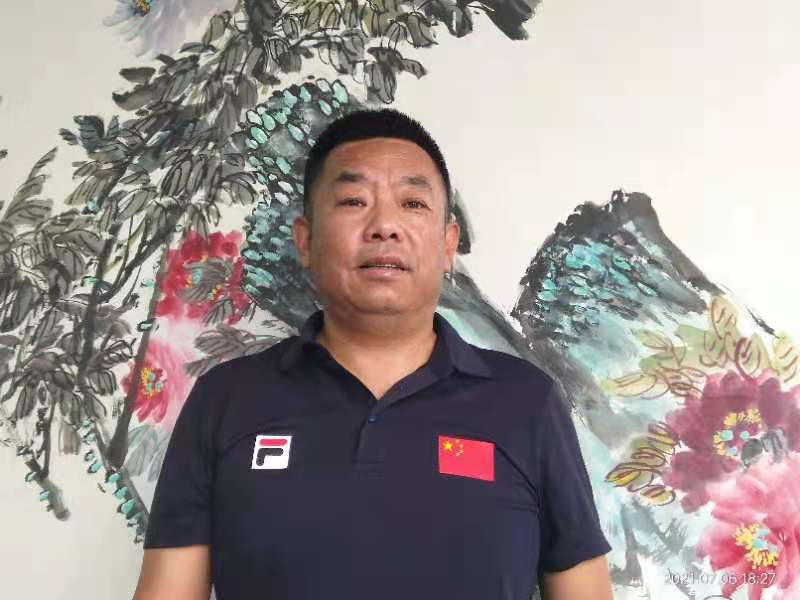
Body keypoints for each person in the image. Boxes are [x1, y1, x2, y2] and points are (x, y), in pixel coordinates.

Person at [133, 109, 613, 600]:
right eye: (353, 201)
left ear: (448, 244)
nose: (384, 225)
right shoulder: (226, 399)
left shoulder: (526, 403)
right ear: (305, 240)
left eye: (412, 203)